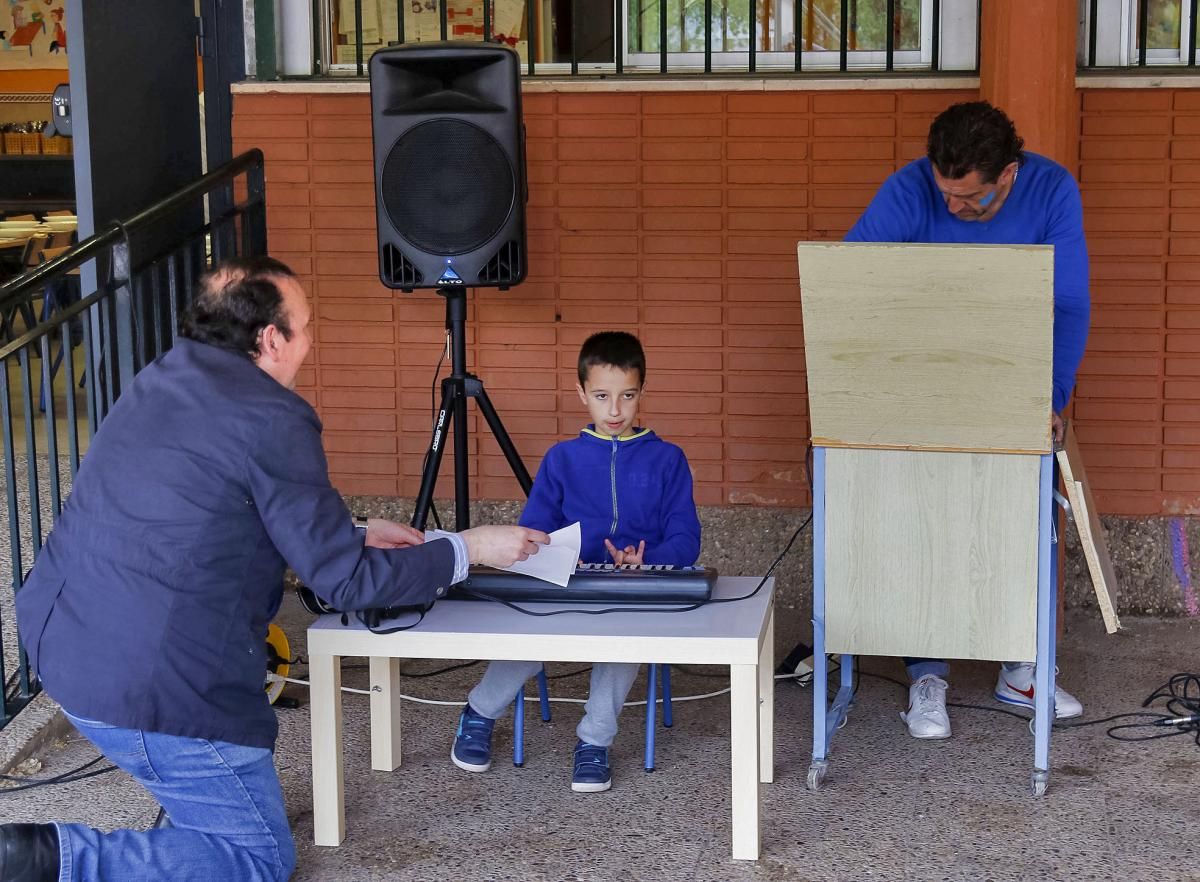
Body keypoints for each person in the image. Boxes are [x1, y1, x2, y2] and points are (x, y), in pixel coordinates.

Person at [5, 257, 548, 882]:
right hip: (153, 686)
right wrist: (469, 547)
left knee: (215, 813)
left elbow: (205, 506)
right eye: (307, 326)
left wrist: (349, 532)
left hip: (63, 645)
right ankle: (52, 860)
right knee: (254, 859)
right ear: (270, 340)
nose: (312, 342)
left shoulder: (163, 376)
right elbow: (344, 582)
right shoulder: (274, 415)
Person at [844, 100, 1090, 740]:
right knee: (924, 522)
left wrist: (1053, 399)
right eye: (944, 194)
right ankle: (927, 674)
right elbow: (849, 280)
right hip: (918, 384)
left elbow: (1068, 304)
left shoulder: (1052, 189)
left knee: (1017, 519)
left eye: (970, 200)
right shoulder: (910, 187)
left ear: (1008, 175)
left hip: (1012, 382)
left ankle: (1018, 668)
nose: (952, 209)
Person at [449, 331, 701, 792]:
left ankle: (595, 742)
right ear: (581, 392)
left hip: (635, 586)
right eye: (602, 396)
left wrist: (648, 559)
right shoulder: (561, 459)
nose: (615, 410)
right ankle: (480, 711)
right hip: (566, 580)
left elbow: (687, 540)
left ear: (642, 392)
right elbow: (534, 531)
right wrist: (557, 553)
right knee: (529, 627)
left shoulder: (668, 459)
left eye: (627, 396)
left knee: (622, 640)